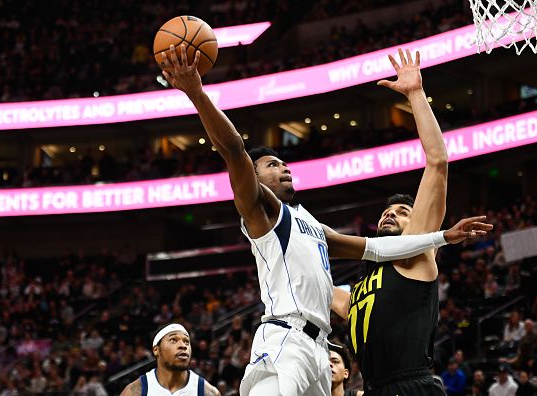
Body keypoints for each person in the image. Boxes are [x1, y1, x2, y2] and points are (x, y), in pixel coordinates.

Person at [161, 45, 492, 396]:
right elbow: (233, 151)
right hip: (287, 340)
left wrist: (440, 237)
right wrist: (196, 92)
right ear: (254, 181)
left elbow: (378, 248)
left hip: (325, 352)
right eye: (271, 165)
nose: (283, 166)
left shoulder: (316, 228)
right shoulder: (263, 210)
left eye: (283, 162)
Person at [329, 49, 491, 395]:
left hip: (412, 386)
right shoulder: (360, 291)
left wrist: (415, 94)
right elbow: (326, 291)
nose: (391, 214)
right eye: (388, 212)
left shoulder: (415, 255)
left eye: (403, 212)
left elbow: (437, 162)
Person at [119, 323, 220, 395]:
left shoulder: (208, 392)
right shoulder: (136, 391)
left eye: (186, 342)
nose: (183, 346)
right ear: (156, 350)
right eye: (173, 340)